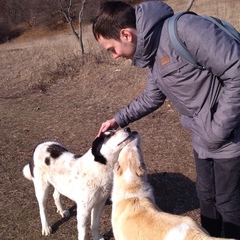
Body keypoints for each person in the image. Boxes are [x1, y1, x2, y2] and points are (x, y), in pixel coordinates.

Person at [92, 1, 240, 238]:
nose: (114, 56)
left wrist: (218, 130)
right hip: (203, 138)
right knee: (206, 198)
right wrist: (118, 119)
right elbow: (152, 96)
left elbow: (237, 70)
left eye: (112, 49)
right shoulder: (152, 54)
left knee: (229, 203)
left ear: (126, 34)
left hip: (231, 136)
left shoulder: (185, 30)